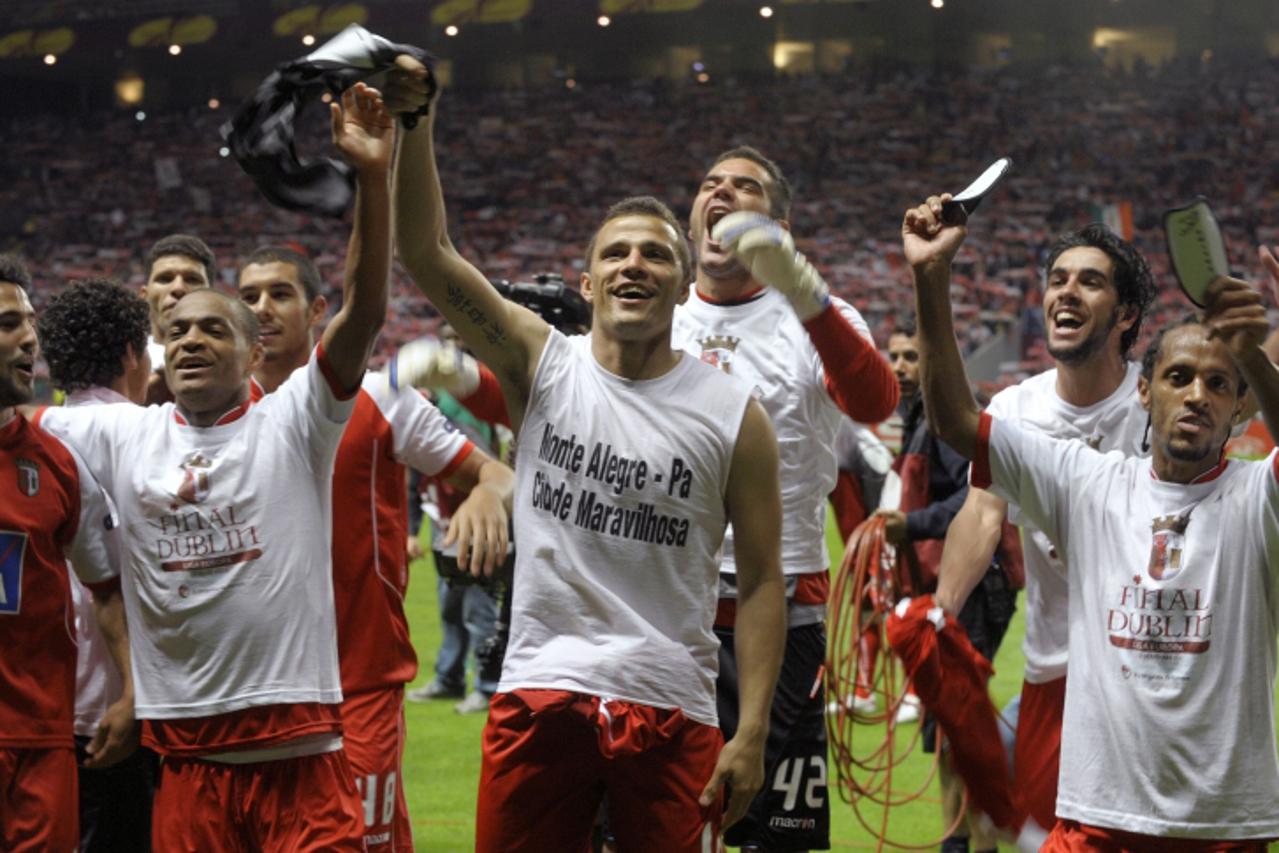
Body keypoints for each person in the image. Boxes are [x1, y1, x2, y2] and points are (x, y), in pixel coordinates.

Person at [391, 64, 786, 851]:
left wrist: (752, 732)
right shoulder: (542, 361)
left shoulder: (734, 417)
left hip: (673, 701)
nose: (632, 264)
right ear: (587, 278)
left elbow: (766, 579)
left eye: (653, 255)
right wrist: (416, 122)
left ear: (682, 289)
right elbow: (427, 252)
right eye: (614, 253)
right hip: (542, 686)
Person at [35, 82, 397, 849]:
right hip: (188, 765)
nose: (193, 339)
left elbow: (363, 309)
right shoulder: (121, 432)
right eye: (178, 330)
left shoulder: (295, 421)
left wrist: (372, 178)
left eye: (213, 328)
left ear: (254, 351)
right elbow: (15, 420)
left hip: (301, 749)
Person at [904, 193, 1279, 847]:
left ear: (1239, 410)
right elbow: (965, 449)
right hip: (1079, 733)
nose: (1194, 394)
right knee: (987, 802)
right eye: (1179, 377)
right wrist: (929, 278)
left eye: (1216, 384)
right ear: (1147, 389)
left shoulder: (1249, 495)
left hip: (1218, 808)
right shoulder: (1075, 469)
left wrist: (1251, 353)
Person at [236, 244, 513, 847]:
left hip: (358, 679)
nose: (262, 308)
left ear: (316, 311)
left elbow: (494, 473)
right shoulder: (214, 412)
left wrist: (487, 496)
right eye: (249, 296)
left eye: (279, 294)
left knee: (364, 838)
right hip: (254, 688)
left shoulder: (381, 398)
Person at [674, 148, 899, 852]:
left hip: (784, 601)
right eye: (710, 185)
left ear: (777, 225)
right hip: (665, 598)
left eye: (745, 188)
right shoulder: (659, 317)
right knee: (664, 820)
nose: (722, 193)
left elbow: (874, 399)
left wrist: (804, 292)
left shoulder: (815, 316)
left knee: (779, 833)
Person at [921, 221, 1157, 835]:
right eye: (1058, 280)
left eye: (1091, 282)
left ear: (1127, 314)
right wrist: (942, 611)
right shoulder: (1017, 410)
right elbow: (982, 512)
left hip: (1149, 671)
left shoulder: (1161, 402)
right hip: (1055, 675)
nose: (1067, 292)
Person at [0, 257, 134, 850]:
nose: (30, 336)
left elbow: (105, 587)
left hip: (39, 742)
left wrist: (132, 693)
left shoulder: (56, 462)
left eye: (30, 321)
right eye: (8, 323)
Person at [872, 322, 1018, 853]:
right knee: (949, 723)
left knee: (959, 725)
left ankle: (971, 844)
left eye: (913, 355)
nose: (902, 367)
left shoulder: (946, 421)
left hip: (974, 588)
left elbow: (975, 501)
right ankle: (965, 842)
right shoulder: (922, 417)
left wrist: (909, 525)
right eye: (896, 356)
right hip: (951, 588)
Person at [37, 277, 158, 851]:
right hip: (130, 702)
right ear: (132, 354)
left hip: (39, 704)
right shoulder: (155, 432)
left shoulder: (29, 435)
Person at [139, 233, 216, 404]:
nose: (178, 288)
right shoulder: (124, 365)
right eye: (165, 279)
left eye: (192, 279)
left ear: (212, 296)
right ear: (145, 295)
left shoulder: (235, 364)